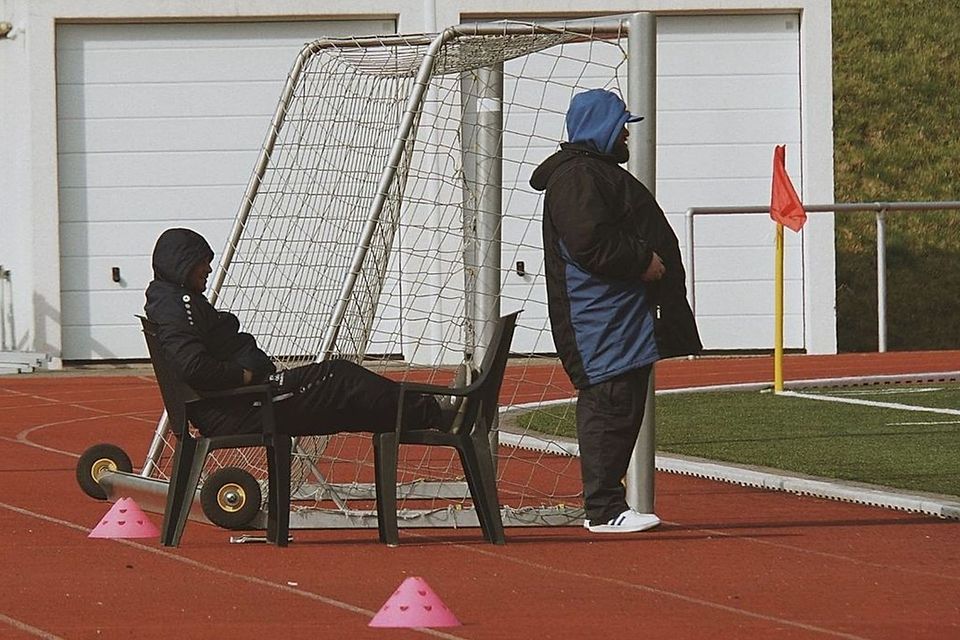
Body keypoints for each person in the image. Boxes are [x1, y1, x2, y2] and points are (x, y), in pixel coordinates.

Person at [530, 89, 702, 533]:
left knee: (621, 404)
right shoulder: (578, 177)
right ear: (601, 128)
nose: (627, 132)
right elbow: (590, 242)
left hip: (619, 318)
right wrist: (643, 260)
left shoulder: (590, 173)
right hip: (600, 319)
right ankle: (603, 510)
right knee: (609, 404)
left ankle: (609, 505)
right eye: (622, 124)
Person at [144, 227, 448, 437]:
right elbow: (193, 367)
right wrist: (246, 376)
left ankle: (430, 414)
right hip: (243, 406)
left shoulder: (173, 300)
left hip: (242, 403)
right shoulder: (176, 304)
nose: (209, 270)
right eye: (202, 263)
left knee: (346, 408)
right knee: (338, 377)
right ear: (182, 264)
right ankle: (437, 410)